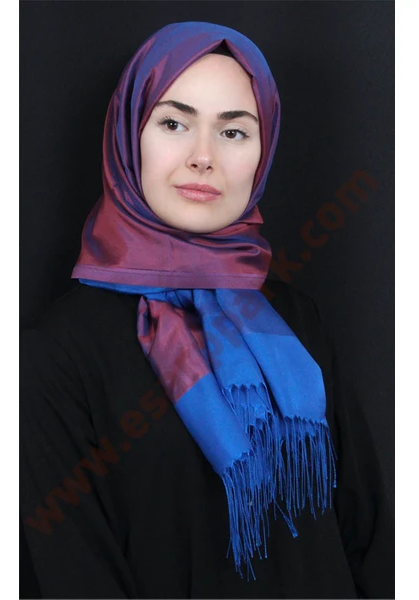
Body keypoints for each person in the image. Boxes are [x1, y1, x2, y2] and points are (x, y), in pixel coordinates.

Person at [20, 21, 394, 599]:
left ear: (263, 154)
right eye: (174, 123)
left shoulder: (296, 319)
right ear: (128, 136)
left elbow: (370, 539)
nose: (203, 157)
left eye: (234, 132)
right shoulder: (57, 355)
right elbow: (75, 573)